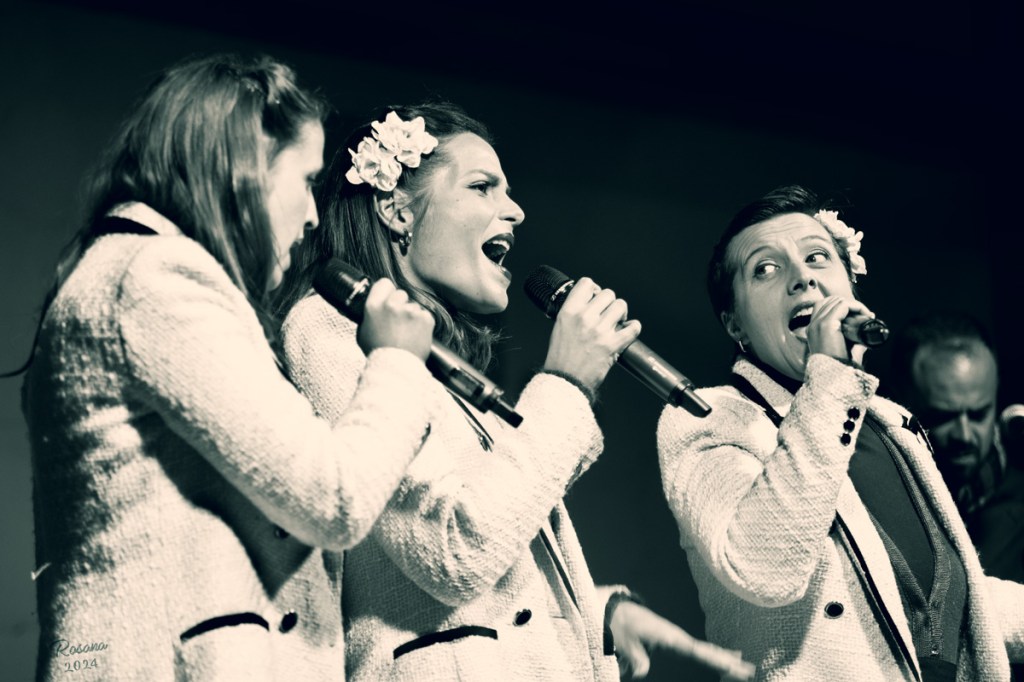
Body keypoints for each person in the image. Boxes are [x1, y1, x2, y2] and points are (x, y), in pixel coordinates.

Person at [276, 103, 754, 681]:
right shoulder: (331, 329)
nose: (516, 210)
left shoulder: (432, 360)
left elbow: (488, 550)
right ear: (397, 209)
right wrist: (567, 382)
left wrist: (594, 613)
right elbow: (453, 550)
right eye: (483, 187)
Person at [22, 54, 442, 681]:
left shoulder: (128, 272)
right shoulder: (156, 278)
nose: (312, 215)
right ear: (244, 169)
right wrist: (396, 362)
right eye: (305, 180)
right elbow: (334, 497)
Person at [656, 184, 1024, 680]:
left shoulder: (890, 424)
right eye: (766, 268)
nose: (802, 277)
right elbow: (763, 567)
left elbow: (949, 604)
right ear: (735, 324)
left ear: (850, 287)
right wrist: (829, 376)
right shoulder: (708, 418)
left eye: (817, 257)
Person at [889, 312, 1024, 584]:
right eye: (943, 417)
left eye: (978, 414)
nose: (963, 435)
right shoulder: (885, 505)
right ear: (903, 405)